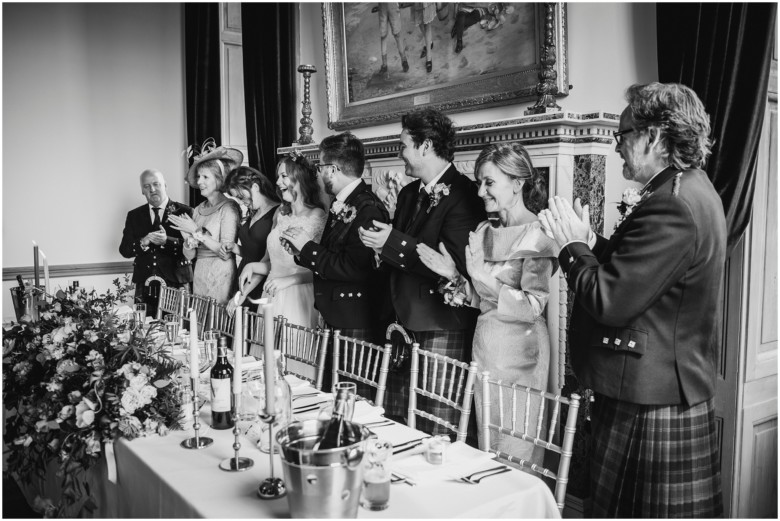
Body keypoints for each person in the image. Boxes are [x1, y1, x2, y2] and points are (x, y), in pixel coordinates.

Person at [538, 82, 725, 517]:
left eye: (622, 135)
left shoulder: (672, 204)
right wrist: (589, 241)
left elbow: (609, 299)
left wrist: (570, 248)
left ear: (655, 137)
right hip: (651, 389)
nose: (617, 146)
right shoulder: (686, 190)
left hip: (649, 399)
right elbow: (640, 272)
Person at [416, 142, 557, 469]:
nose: (480, 191)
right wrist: (452, 274)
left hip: (521, 357)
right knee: (488, 449)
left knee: (515, 454)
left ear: (517, 183)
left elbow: (531, 305)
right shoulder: (483, 230)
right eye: (479, 181)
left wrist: (483, 276)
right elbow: (482, 299)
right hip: (486, 350)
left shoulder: (540, 234)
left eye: (489, 182)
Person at [359, 108, 485, 435]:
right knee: (399, 423)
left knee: (436, 426)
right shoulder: (407, 193)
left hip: (439, 324)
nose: (399, 152)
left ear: (425, 147)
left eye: (403, 145)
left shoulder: (464, 195)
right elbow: (400, 252)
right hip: (400, 323)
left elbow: (453, 267)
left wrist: (393, 242)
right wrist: (379, 246)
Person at [282, 133, 392, 397]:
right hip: (337, 315)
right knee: (332, 395)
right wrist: (301, 251)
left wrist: (308, 247)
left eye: (320, 167)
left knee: (353, 399)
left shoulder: (368, 209)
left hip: (356, 319)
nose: (319, 174)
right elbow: (332, 253)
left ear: (333, 169)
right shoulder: (344, 203)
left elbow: (356, 268)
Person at [238, 153, 327, 335]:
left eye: (284, 176)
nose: (278, 182)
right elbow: (272, 263)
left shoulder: (317, 216)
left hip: (299, 298)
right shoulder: (280, 213)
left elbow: (322, 269)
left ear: (300, 178)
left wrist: (288, 281)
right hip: (271, 295)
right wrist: (252, 266)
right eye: (278, 176)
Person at [169, 142, 242, 306]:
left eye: (205, 177)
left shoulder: (229, 208)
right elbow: (191, 256)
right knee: (200, 324)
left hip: (221, 273)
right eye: (199, 177)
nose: (199, 181)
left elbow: (226, 253)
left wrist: (195, 230)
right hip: (200, 273)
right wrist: (187, 238)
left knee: (217, 325)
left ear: (219, 179)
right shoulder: (198, 210)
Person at [119, 169, 193, 317]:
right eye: (146, 186)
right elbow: (125, 250)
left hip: (176, 282)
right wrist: (143, 242)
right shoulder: (134, 215)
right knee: (146, 333)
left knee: (179, 330)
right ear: (142, 191)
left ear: (165, 185)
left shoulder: (185, 212)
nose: (152, 189)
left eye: (156, 184)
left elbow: (193, 248)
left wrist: (167, 241)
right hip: (145, 284)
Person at [222, 166, 281, 312]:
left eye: (241, 197)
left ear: (255, 187)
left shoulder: (278, 212)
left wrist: (243, 293)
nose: (242, 202)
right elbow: (252, 252)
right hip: (243, 277)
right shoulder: (252, 213)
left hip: (259, 281)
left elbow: (267, 258)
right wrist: (235, 248)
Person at [376, 3, 409, 75]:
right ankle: (384, 65)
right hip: (382, 6)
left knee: (397, 34)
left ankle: (404, 60)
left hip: (393, 5)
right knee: (383, 35)